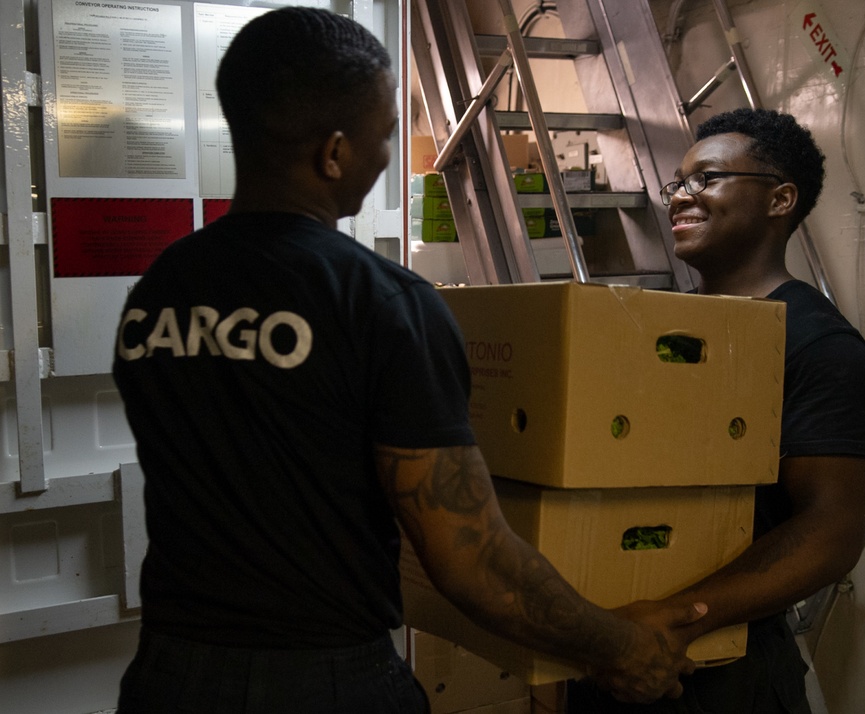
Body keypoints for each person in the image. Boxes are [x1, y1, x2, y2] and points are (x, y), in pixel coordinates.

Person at [112, 7, 706, 713]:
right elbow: (473, 559)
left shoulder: (160, 290)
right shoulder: (384, 303)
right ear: (333, 154)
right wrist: (621, 647)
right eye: (384, 135)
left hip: (167, 678)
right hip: (322, 685)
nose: (389, 154)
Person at [567, 108, 865, 713]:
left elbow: (831, 532)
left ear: (779, 199)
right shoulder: (660, 328)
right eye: (677, 184)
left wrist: (677, 619)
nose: (681, 198)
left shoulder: (822, 346)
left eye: (706, 179)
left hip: (720, 670)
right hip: (618, 645)